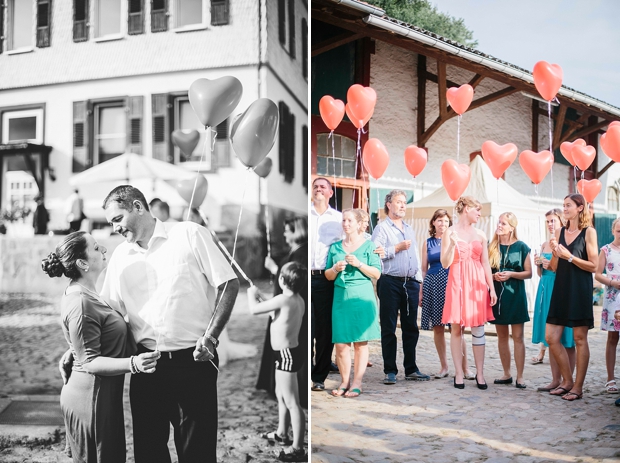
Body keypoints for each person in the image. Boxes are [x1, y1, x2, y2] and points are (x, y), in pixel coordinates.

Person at [61, 185, 239, 462]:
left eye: (117, 219)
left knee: (197, 454)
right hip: (146, 369)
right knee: (149, 453)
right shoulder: (120, 257)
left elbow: (228, 283)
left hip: (193, 364)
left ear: (138, 207)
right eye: (110, 223)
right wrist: (75, 346)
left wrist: (212, 337)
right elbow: (109, 313)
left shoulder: (190, 234)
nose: (115, 228)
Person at [42, 231, 159, 463]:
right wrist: (134, 363)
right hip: (91, 400)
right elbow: (90, 361)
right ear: (82, 263)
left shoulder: (88, 292)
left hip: (104, 396)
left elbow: (91, 338)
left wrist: (73, 351)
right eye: (96, 248)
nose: (104, 249)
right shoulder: (81, 302)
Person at [248, 262, 307, 462]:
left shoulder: (283, 300)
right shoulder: (296, 300)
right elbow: (274, 309)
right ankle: (282, 433)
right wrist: (260, 296)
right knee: (281, 395)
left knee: (292, 402)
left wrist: (251, 294)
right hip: (286, 353)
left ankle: (298, 448)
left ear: (282, 280)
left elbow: (254, 310)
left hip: (286, 355)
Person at [372, 190, 429, 384]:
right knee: (388, 327)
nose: (403, 205)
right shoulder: (381, 228)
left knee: (411, 327)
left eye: (405, 202)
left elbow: (415, 256)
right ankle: (390, 371)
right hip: (389, 282)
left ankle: (411, 368)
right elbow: (375, 253)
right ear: (389, 204)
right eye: (399, 202)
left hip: (410, 282)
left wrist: (419, 281)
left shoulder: (409, 228)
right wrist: (396, 248)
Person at [441, 196, 497, 390]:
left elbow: (485, 263)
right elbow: (445, 263)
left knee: (478, 328)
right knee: (456, 328)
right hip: (457, 281)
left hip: (477, 283)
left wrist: (491, 287)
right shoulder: (450, 232)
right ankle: (458, 372)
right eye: (477, 209)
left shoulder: (481, 234)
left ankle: (480, 373)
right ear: (466, 208)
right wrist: (451, 245)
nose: (480, 214)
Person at [547, 193, 598, 401]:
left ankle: (578, 387)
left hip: (579, 290)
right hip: (561, 289)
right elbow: (554, 267)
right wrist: (554, 253)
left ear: (579, 208)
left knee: (579, 338)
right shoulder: (559, 232)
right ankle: (567, 381)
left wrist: (570, 256)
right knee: (551, 337)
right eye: (563, 205)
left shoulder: (589, 233)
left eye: (568, 205)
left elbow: (594, 265)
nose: (564, 209)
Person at [326, 208, 381, 397]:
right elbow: (328, 275)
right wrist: (334, 268)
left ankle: (357, 382)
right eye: (343, 220)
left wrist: (359, 264)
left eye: (349, 220)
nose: (345, 224)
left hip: (362, 297)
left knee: (360, 343)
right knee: (341, 344)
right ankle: (344, 381)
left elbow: (376, 273)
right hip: (341, 298)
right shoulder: (335, 247)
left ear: (359, 224)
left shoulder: (369, 246)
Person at [258, 217, 308, 407]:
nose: (285, 234)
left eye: (288, 230)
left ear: (297, 231)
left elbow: (294, 282)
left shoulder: (301, 254)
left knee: (290, 398)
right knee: (282, 392)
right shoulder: (295, 252)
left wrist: (275, 268)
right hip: (284, 316)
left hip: (290, 324)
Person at [421, 209, 474, 379]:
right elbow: (423, 268)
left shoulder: (456, 239)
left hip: (453, 282)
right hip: (433, 283)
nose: (442, 224)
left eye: (445, 221)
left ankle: (465, 368)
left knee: (457, 328)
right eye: (439, 221)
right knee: (438, 327)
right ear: (433, 223)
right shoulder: (427, 243)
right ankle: (444, 366)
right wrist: (421, 290)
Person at [532, 209, 576, 391]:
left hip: (561, 289)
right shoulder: (544, 244)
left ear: (561, 221)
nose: (550, 224)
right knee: (550, 338)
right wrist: (538, 264)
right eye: (548, 221)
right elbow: (541, 273)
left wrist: (552, 264)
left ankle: (569, 379)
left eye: (553, 221)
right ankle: (555, 379)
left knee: (567, 337)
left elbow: (567, 271)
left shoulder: (564, 243)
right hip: (546, 287)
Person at [488, 212, 532, 388]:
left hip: (516, 296)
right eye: (499, 222)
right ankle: (506, 373)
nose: (499, 226)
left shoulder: (521, 247)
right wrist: (494, 275)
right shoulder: (491, 246)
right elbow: (484, 272)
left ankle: (520, 376)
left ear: (512, 227)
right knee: (502, 336)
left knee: (518, 337)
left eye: (503, 223)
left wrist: (512, 274)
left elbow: (529, 273)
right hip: (498, 297)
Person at [310, 177, 343, 392]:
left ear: (331, 193)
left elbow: (354, 239)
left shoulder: (339, 219)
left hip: (326, 278)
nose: (318, 189)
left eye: (323, 187)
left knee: (323, 330)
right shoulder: (303, 215)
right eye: (315, 186)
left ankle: (319, 376)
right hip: (301, 277)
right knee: (305, 329)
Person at [595, 217, 620, 394]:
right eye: (618, 230)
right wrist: (612, 282)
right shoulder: (606, 250)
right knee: (613, 338)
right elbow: (597, 274)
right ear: (613, 231)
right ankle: (610, 379)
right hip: (614, 297)